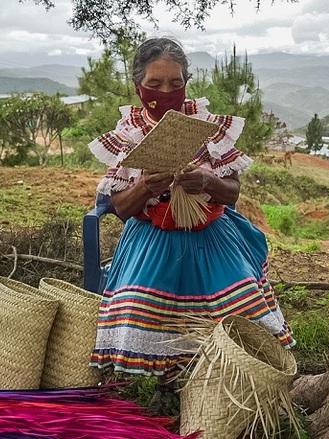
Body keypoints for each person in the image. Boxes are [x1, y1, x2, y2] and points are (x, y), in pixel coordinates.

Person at [88, 38, 294, 379]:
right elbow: (121, 209)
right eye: (154, 84)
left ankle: (224, 371)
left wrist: (208, 182)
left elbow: (232, 194)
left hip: (212, 233)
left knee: (240, 314)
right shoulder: (128, 134)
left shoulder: (206, 126)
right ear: (138, 86)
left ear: (187, 82)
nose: (166, 91)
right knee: (138, 309)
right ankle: (160, 376)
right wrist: (144, 187)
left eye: (175, 83)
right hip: (151, 237)